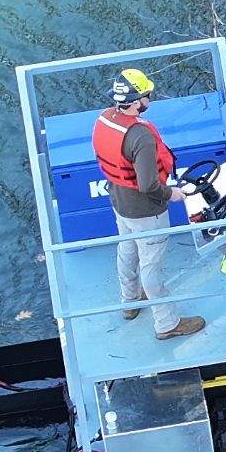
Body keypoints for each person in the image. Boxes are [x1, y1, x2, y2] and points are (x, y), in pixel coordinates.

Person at [92, 69, 204, 342]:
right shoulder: (140, 136)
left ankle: (130, 302)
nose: (149, 98)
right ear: (137, 101)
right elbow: (148, 186)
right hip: (146, 211)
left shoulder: (105, 119)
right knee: (151, 267)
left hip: (119, 202)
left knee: (127, 248)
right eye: (146, 94)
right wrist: (172, 194)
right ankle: (167, 324)